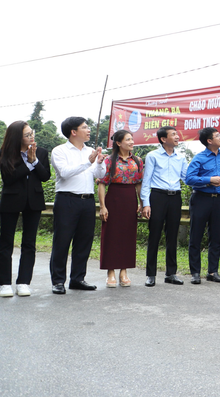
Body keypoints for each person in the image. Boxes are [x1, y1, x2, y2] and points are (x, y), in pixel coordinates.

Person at [50, 116, 106, 294]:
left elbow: (99, 174)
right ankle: (58, 281)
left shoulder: (90, 150)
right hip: (67, 199)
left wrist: (98, 163)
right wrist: (88, 162)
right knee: (62, 241)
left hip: (88, 200)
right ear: (73, 132)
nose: (88, 130)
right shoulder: (59, 151)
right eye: (84, 127)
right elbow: (65, 173)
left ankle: (78, 278)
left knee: (84, 241)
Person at [0, 121, 51, 297]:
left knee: (29, 243)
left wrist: (35, 160)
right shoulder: (6, 153)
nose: (31, 137)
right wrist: (28, 164)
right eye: (27, 135)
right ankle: (4, 283)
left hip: (34, 201)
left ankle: (23, 282)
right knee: (6, 243)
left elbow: (45, 176)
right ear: (17, 137)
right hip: (11, 201)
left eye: (32, 133)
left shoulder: (42, 152)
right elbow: (9, 178)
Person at [185, 127, 220, 284]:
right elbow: (189, 179)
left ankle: (213, 272)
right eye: (217, 136)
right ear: (209, 141)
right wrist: (209, 180)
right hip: (201, 199)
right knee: (196, 236)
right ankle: (195, 273)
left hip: (219, 200)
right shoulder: (198, 158)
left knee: (216, 237)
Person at [140, 126, 187, 286]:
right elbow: (146, 181)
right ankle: (150, 274)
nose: (177, 136)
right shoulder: (152, 156)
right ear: (163, 139)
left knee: (172, 236)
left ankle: (171, 274)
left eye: (176, 134)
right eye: (173, 134)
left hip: (175, 198)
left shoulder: (181, 158)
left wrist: (207, 179)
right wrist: (146, 204)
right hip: (157, 197)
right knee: (154, 235)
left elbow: (187, 178)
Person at [98, 130, 143, 288]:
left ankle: (124, 271)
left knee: (127, 236)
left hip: (130, 199)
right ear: (118, 143)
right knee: (111, 235)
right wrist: (103, 206)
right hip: (114, 198)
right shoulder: (109, 161)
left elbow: (138, 183)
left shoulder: (137, 161)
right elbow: (102, 183)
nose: (131, 142)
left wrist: (141, 203)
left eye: (132, 139)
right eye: (128, 139)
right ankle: (110, 272)